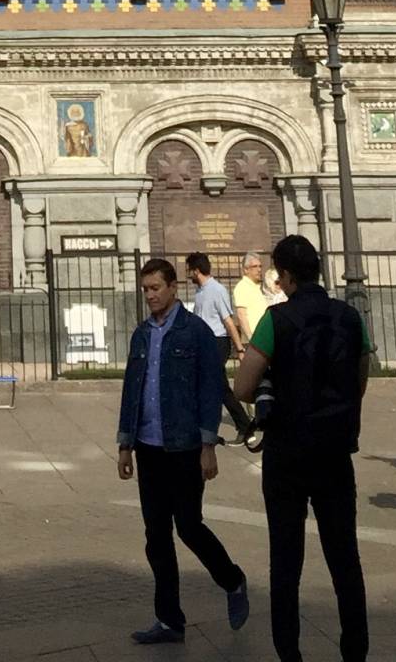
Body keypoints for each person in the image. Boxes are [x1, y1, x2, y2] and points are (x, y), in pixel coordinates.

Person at [234, 233, 370, 662]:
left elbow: (242, 386)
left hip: (287, 453)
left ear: (287, 276)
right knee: (344, 557)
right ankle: (355, 651)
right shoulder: (350, 317)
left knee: (286, 560)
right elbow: (361, 379)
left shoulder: (277, 319)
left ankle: (289, 652)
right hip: (334, 451)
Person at [115, 256, 250, 646]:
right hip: (148, 446)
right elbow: (131, 389)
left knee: (189, 526)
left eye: (156, 288)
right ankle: (169, 620)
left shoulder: (195, 333)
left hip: (185, 447)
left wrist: (209, 445)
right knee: (156, 535)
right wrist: (125, 445)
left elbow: (211, 391)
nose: (151, 296)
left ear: (174, 288)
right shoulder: (141, 335)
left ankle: (232, 579)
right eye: (145, 290)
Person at [183, 253, 254, 448]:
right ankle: (208, 429)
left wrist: (239, 348)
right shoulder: (200, 291)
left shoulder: (216, 290)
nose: (187, 274)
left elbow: (228, 321)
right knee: (209, 385)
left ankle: (244, 426)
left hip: (217, 342)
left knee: (218, 387)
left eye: (189, 269)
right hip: (204, 342)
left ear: (196, 270)